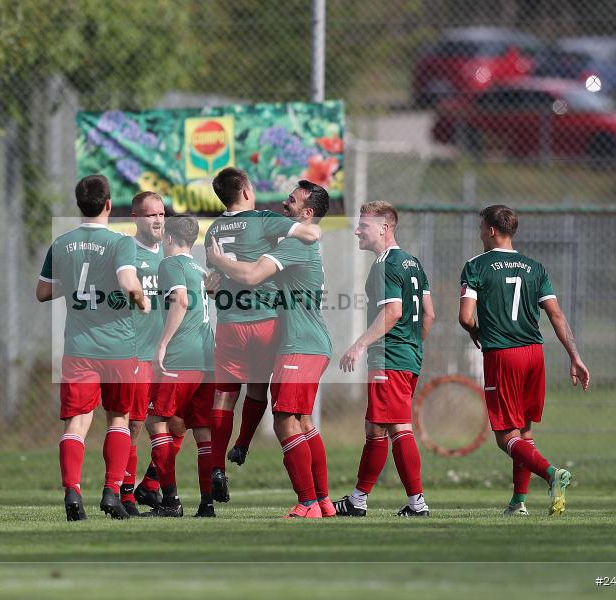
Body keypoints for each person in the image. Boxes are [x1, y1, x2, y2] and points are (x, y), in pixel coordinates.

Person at [207, 181, 333, 518]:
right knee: (303, 421)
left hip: (300, 345)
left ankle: (307, 502)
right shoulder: (294, 245)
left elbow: (250, 274)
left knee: (283, 421)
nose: (284, 203)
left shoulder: (295, 245)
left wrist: (218, 261)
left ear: (307, 213)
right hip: (309, 343)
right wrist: (217, 280)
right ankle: (323, 502)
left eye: (292, 201)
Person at [458, 205, 589, 516]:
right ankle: (518, 502)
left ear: (491, 230)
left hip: (503, 354)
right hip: (534, 354)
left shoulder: (476, 266)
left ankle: (552, 473)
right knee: (524, 432)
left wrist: (477, 332)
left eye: (481, 228)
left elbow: (465, 317)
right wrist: (575, 356)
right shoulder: (535, 267)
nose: (479, 233)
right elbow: (556, 314)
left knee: (506, 437)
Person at [36, 174, 149, 521]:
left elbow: (42, 292)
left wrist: (73, 285)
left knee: (76, 423)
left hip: (78, 348)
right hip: (118, 348)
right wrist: (140, 299)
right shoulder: (120, 243)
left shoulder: (62, 243)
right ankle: (112, 492)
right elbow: (128, 282)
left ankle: (72, 490)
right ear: (109, 204)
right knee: (119, 418)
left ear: (79, 204)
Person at [336, 202, 435, 518]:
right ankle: (358, 500)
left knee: (396, 427)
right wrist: (412, 344)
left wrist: (359, 344)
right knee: (376, 426)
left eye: (363, 225)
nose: (357, 230)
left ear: (384, 227)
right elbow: (429, 314)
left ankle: (416, 503)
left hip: (389, 356)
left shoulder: (385, 264)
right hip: (407, 355)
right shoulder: (413, 263)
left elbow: (391, 312)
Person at [144, 215, 216, 518]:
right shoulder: (199, 269)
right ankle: (207, 504)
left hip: (181, 357)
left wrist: (162, 343)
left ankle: (171, 501)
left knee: (154, 421)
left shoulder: (169, 264)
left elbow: (181, 302)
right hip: (207, 358)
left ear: (169, 239)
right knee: (199, 430)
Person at [121, 191, 165, 516]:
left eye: (162, 214)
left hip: (167, 355)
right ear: (136, 218)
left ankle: (150, 484)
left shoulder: (169, 255)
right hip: (137, 354)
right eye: (151, 215)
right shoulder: (126, 254)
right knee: (134, 425)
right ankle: (124, 493)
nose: (158, 220)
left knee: (177, 424)